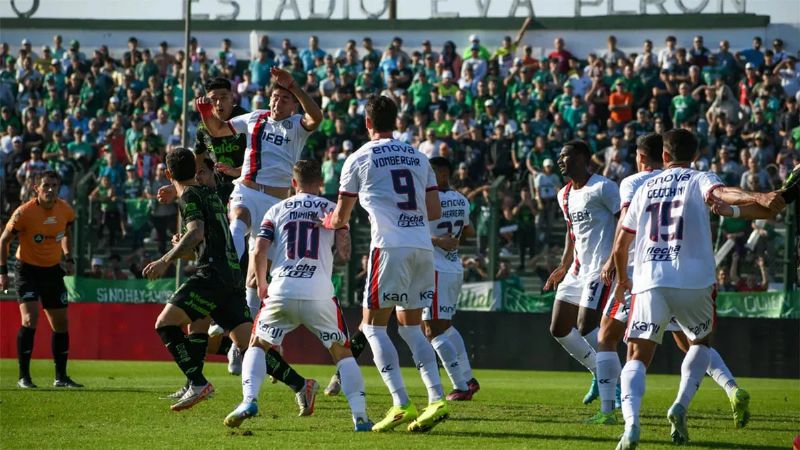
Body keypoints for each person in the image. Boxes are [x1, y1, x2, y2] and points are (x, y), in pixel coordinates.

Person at [611, 129, 789, 449]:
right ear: (695, 156)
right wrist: (761, 197)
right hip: (695, 280)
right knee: (700, 343)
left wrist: (623, 278)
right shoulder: (699, 178)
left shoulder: (643, 187)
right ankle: (680, 405)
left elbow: (621, 243)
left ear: (664, 155)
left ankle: (632, 425)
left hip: (649, 279)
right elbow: (724, 194)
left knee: (636, 355)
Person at [321, 94, 449, 433]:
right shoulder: (419, 156)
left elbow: (341, 217)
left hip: (389, 247)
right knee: (410, 328)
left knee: (373, 327)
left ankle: (401, 402)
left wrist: (329, 221)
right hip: (422, 247)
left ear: (367, 122)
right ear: (396, 121)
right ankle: (436, 398)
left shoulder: (359, 158)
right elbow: (434, 211)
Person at [224, 160, 373, 431]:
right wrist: (334, 239)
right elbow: (344, 253)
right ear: (321, 183)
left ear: (294, 183)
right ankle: (360, 416)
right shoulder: (332, 210)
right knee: (342, 352)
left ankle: (249, 400)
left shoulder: (276, 209)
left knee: (257, 344)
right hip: (319, 292)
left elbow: (258, 250)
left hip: (282, 288)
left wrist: (261, 284)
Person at [194, 66, 322, 326]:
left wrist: (294, 86)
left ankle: (243, 337)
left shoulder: (298, 125)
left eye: (285, 99)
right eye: (275, 97)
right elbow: (217, 130)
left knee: (256, 277)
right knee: (238, 220)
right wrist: (206, 113)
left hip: (276, 203)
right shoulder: (255, 118)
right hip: (247, 189)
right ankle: (225, 276)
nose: (278, 102)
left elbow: (316, 117)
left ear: (293, 106)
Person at [143, 147, 252, 412]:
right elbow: (200, 237)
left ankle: (197, 382)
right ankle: (300, 384)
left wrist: (165, 260)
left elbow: (197, 233)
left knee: (166, 324)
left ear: (168, 174)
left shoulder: (194, 194)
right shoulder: (210, 194)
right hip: (230, 271)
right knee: (243, 342)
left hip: (213, 272)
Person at [543, 140, 620, 406]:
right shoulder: (563, 194)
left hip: (600, 269)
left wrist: (614, 260)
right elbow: (571, 232)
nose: (560, 160)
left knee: (587, 326)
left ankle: (616, 384)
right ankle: (599, 370)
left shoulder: (604, 187)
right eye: (559, 156)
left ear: (583, 158)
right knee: (559, 328)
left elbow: (625, 222)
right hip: (576, 270)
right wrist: (563, 265)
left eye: (565, 155)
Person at [0, 171, 82, 389]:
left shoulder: (65, 209)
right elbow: (4, 240)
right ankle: (23, 377)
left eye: (54, 185)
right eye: (46, 185)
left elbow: (66, 233)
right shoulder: (24, 212)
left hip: (52, 270)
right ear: (36, 188)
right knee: (30, 319)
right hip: (27, 270)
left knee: (61, 323)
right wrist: (2, 272)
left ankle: (61, 377)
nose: (50, 189)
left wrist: (68, 257)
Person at [424, 156, 479, 400]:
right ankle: (468, 378)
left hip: (435, 269)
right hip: (453, 266)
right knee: (445, 326)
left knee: (431, 330)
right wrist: (452, 239)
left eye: (431, 171)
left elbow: (414, 230)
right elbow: (470, 232)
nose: (426, 176)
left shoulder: (429, 199)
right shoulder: (461, 199)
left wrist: (438, 240)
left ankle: (460, 386)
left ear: (443, 173)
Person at [193, 77, 249, 203]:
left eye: (223, 98)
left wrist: (237, 171)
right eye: (213, 99)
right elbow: (198, 156)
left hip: (246, 186)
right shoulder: (203, 126)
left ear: (232, 97)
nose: (218, 103)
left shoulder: (246, 119)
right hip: (218, 189)